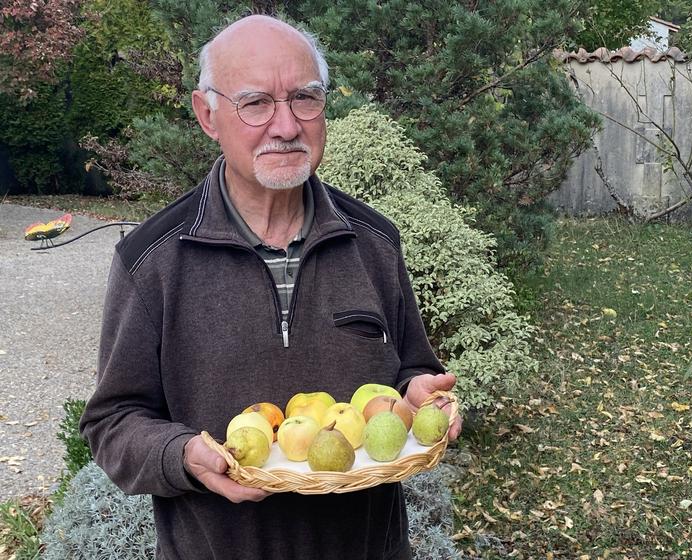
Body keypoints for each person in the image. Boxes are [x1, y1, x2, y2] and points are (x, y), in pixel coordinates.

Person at [80, 14, 461, 560]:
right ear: (207, 115)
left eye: (305, 99)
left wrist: (422, 393)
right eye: (256, 103)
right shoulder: (153, 261)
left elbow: (408, 372)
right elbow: (112, 421)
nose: (286, 126)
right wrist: (181, 453)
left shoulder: (374, 243)